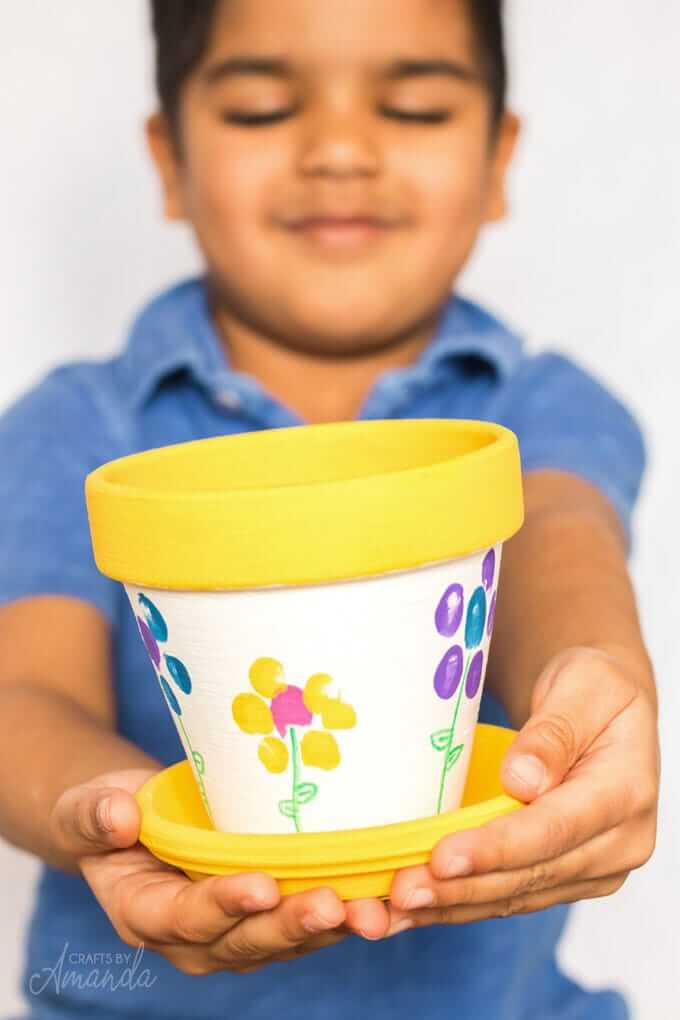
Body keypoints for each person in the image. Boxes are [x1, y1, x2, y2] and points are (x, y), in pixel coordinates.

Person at [0, 1, 659, 1018]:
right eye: (263, 109)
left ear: (498, 159)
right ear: (167, 158)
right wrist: (115, 811)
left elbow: (555, 535)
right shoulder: (75, 425)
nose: (339, 150)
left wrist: (598, 681)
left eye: (412, 107)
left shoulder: (540, 407)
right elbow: (24, 697)